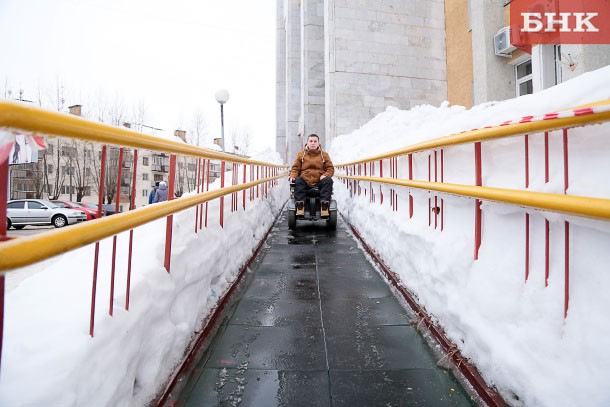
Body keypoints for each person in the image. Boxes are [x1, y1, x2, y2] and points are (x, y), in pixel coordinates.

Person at [289, 133, 334, 216]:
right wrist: (293, 176)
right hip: (305, 180)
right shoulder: (301, 155)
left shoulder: (324, 155)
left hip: (319, 181)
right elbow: (295, 168)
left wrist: (326, 175)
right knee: (298, 180)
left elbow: (330, 168)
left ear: (318, 143)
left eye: (315, 141)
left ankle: (324, 206)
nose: (313, 143)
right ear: (307, 143)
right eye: (311, 141)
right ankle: (300, 206)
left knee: (328, 180)